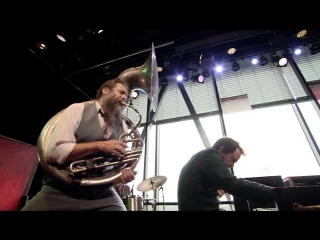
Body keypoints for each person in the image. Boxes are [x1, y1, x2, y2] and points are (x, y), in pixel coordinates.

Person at [21, 77, 137, 211]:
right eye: (121, 92)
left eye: (127, 96)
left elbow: (119, 161)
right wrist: (100, 145)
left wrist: (122, 174)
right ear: (105, 90)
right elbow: (55, 152)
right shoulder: (77, 109)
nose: (125, 98)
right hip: (61, 189)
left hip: (101, 193)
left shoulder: (122, 124)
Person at [177, 137, 275, 211]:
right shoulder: (210, 155)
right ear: (222, 150)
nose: (232, 166)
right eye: (232, 160)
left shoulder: (201, 157)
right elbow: (234, 184)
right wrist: (275, 193)